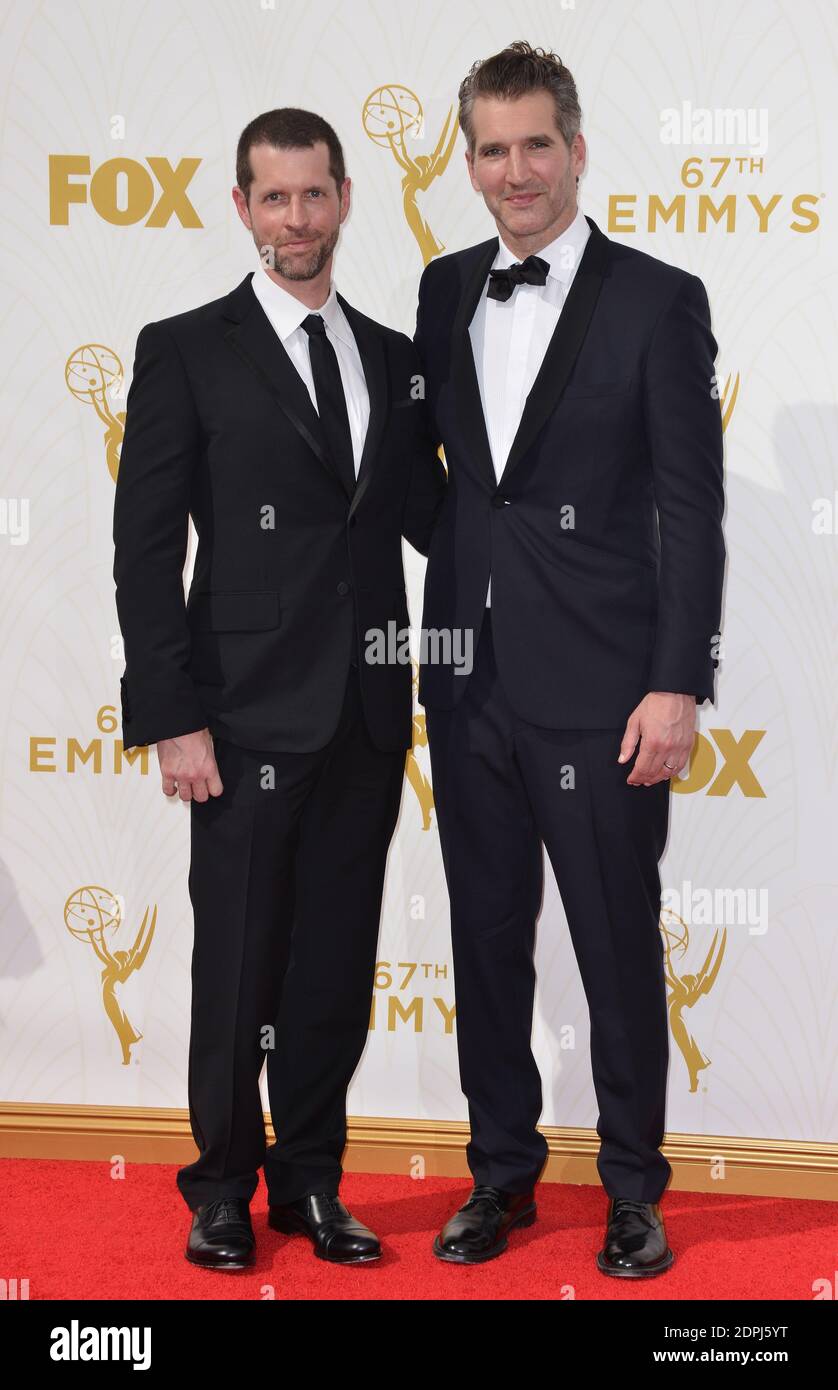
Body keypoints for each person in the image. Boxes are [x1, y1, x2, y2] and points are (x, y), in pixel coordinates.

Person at [113, 107, 446, 1271]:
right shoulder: (185, 348)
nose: (296, 219)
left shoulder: (398, 360)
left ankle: (311, 1182)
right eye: (274, 197)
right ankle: (219, 1190)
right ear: (242, 205)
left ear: (345, 198)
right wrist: (172, 716)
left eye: (315, 195)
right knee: (238, 964)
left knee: (331, 968)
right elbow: (145, 549)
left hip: (362, 713)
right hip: (239, 715)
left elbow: (435, 522)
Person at [413, 42, 725, 1275]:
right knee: (485, 943)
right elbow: (443, 489)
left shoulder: (657, 297)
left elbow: (690, 512)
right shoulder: (443, 290)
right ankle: (501, 1178)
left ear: (577, 148)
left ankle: (634, 1191)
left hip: (605, 690)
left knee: (611, 940)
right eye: (491, 149)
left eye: (536, 143)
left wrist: (676, 680)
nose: (515, 170)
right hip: (466, 674)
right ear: (470, 164)